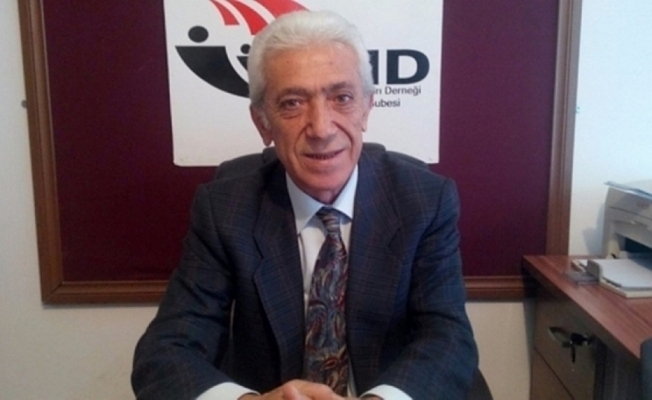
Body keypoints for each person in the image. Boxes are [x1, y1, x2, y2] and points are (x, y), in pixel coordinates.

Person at [132, 10, 478, 400]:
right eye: (293, 103)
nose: (321, 128)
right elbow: (167, 350)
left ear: (367, 107)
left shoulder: (424, 201)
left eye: (342, 98)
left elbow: (447, 336)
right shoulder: (224, 209)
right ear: (262, 122)